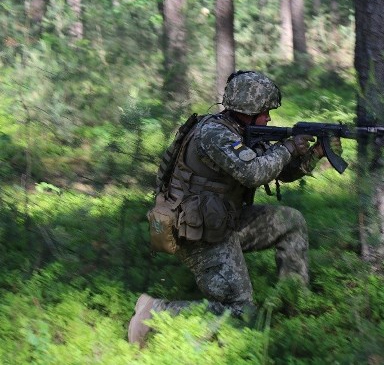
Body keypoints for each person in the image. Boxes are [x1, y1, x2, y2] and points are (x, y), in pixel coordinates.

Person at [128, 70, 341, 345]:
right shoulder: (213, 133)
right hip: (197, 234)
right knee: (241, 313)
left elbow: (279, 172)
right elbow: (253, 172)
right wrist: (288, 147)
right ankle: (155, 313)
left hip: (222, 221)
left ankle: (295, 305)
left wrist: (314, 154)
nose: (269, 118)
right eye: (264, 111)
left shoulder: (241, 130)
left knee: (292, 222)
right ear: (247, 110)